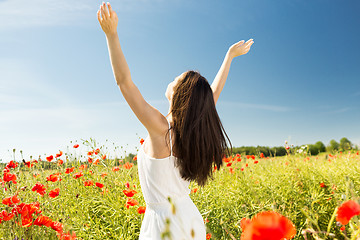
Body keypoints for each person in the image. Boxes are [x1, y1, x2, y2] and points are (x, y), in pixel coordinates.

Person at [97, 2, 254, 239]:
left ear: (181, 93)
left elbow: (125, 83)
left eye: (176, 78)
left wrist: (111, 35)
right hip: (186, 217)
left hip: (164, 226)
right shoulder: (190, 131)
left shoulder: (161, 129)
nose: (171, 79)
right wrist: (229, 56)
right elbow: (213, 94)